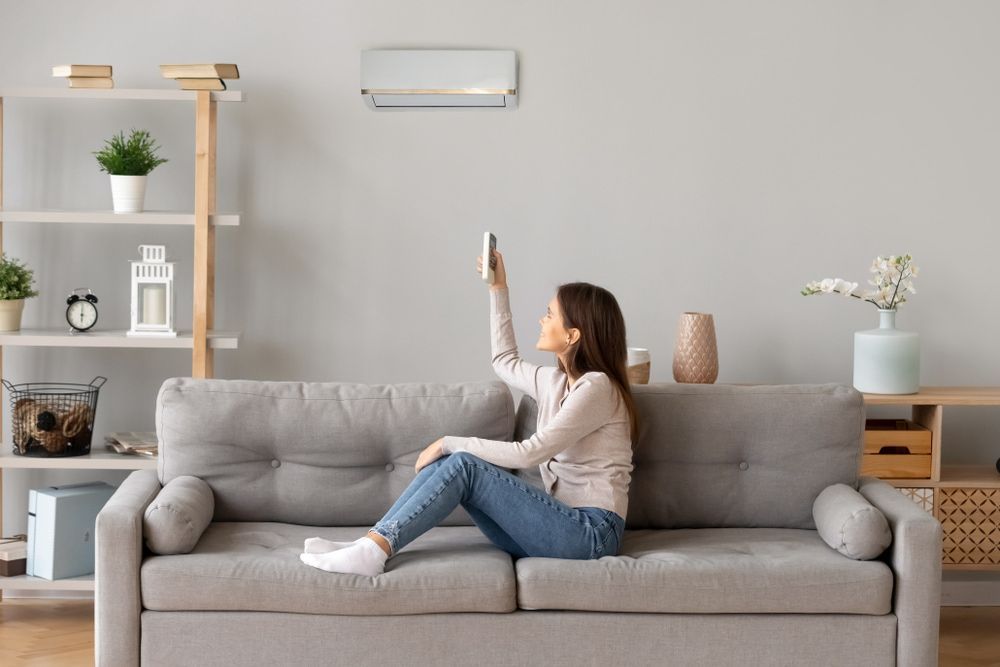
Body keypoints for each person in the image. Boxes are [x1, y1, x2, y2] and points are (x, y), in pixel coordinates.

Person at [300, 248, 639, 576]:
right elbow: (503, 361)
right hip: (559, 525)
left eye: (550, 314)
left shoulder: (597, 388)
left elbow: (531, 452)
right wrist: (498, 288)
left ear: (573, 335)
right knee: (452, 462)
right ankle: (371, 543)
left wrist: (448, 441)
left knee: (462, 461)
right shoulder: (555, 382)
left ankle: (373, 550)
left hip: (591, 534)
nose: (542, 318)